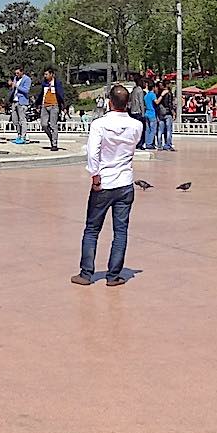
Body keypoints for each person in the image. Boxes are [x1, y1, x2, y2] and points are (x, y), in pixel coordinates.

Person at [71, 84, 142, 288]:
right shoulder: (137, 125)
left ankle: (86, 273)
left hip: (104, 182)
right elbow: (133, 145)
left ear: (110, 102)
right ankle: (113, 275)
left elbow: (93, 152)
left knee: (92, 229)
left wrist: (95, 176)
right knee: (120, 231)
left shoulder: (99, 124)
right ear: (127, 103)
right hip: (125, 183)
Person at [36, 68, 66, 152]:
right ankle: (51, 138)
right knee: (44, 124)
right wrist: (37, 104)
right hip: (44, 105)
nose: (45, 76)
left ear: (51, 74)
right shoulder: (44, 84)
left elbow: (61, 94)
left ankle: (54, 144)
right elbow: (41, 94)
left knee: (53, 125)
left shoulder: (57, 83)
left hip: (54, 105)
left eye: (47, 74)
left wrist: (63, 106)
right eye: (44, 74)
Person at [8, 66, 32, 145]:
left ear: (22, 72)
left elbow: (26, 90)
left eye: (18, 73)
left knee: (22, 120)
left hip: (22, 101)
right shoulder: (15, 78)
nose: (17, 75)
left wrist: (17, 86)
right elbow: (13, 88)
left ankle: (23, 136)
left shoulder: (27, 79)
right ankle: (18, 134)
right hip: (14, 101)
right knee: (15, 120)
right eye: (16, 73)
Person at [128, 75, 147, 149]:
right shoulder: (140, 90)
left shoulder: (133, 90)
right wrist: (143, 113)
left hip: (133, 111)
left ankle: (135, 143)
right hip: (138, 112)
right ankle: (140, 144)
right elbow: (141, 102)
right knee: (141, 129)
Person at [157, 82, 176, 152]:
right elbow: (170, 104)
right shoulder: (169, 93)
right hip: (168, 113)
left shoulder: (159, 93)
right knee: (168, 130)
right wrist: (173, 113)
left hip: (160, 113)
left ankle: (159, 145)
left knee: (160, 129)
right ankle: (168, 145)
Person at [142, 80, 158, 150]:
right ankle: (150, 143)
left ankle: (147, 142)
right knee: (153, 130)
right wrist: (161, 97)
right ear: (153, 88)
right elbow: (156, 102)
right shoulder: (152, 95)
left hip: (146, 113)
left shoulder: (146, 95)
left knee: (147, 129)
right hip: (152, 113)